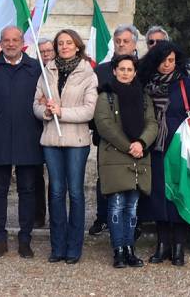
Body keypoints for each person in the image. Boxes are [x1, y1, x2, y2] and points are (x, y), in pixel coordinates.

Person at [139, 40, 190, 267]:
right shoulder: (147, 83)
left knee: (178, 194)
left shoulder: (186, 83)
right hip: (154, 147)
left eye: (171, 60)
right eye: (163, 60)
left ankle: (178, 247)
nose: (167, 65)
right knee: (158, 196)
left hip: (180, 146)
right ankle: (162, 245)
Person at [33, 29, 97, 265]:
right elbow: (36, 104)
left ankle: (74, 247)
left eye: (69, 42)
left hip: (76, 142)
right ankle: (57, 246)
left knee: (76, 193)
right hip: (51, 140)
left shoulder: (88, 73)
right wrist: (47, 112)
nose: (64, 46)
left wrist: (63, 112)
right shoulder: (47, 71)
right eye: (60, 43)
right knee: (57, 192)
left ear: (77, 46)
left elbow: (89, 110)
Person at [0, 26, 43, 259]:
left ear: (22, 42)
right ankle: (0, 238)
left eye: (15, 40)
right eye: (6, 40)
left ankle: (25, 239)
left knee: (28, 190)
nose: (10, 44)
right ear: (0, 42)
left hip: (29, 137)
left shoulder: (36, 69)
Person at [94, 54, 158, 268]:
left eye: (129, 69)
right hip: (116, 155)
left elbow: (152, 123)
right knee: (116, 205)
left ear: (135, 72)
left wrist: (141, 142)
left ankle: (130, 248)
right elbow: (104, 125)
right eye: (121, 69)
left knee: (132, 207)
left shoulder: (143, 96)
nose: (125, 73)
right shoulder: (106, 96)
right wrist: (129, 146)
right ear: (114, 71)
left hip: (139, 157)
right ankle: (118, 249)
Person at [89, 24, 141, 237]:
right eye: (118, 41)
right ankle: (103, 218)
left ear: (135, 44)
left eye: (126, 41)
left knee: (134, 179)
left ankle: (134, 223)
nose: (121, 44)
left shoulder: (142, 70)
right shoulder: (101, 70)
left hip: (135, 138)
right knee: (106, 179)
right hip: (107, 137)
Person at [34, 37, 55, 228]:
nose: (46, 54)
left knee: (56, 178)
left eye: (49, 51)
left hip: (57, 130)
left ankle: (55, 216)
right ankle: (38, 215)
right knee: (36, 176)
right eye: (42, 52)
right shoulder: (34, 71)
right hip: (36, 129)